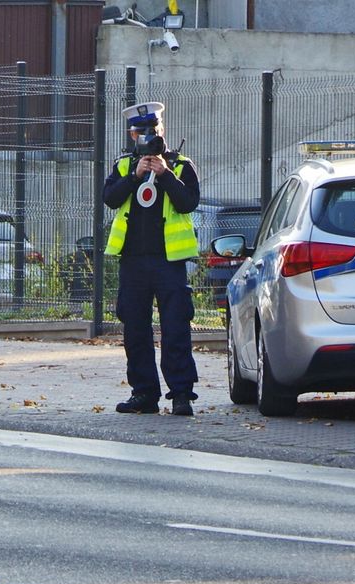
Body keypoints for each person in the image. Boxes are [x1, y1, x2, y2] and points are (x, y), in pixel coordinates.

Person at [102, 101, 201, 416]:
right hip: (133, 262)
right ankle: (143, 393)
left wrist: (166, 174)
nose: (147, 137)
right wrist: (135, 176)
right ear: (132, 135)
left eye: (153, 131)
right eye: (140, 132)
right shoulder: (122, 165)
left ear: (162, 130)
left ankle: (181, 394)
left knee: (175, 328)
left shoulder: (181, 164)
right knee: (135, 329)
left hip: (169, 262)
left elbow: (188, 203)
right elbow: (110, 198)